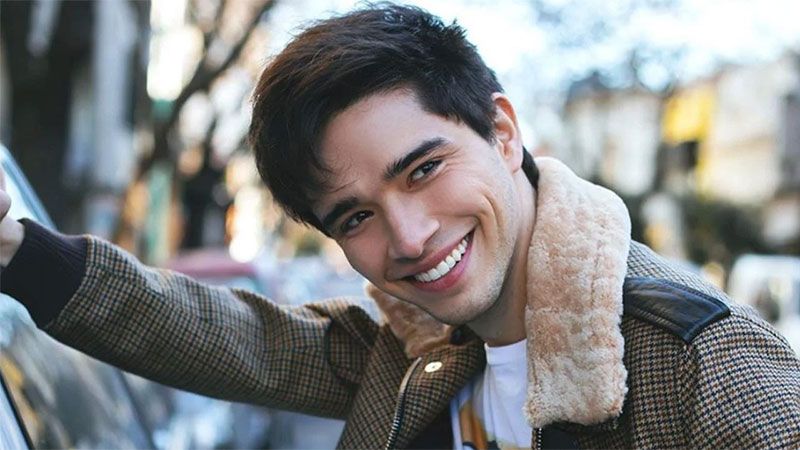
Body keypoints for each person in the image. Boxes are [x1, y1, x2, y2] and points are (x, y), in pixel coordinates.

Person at [1, 4, 798, 449]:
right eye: (357, 216)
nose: (410, 237)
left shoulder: (702, 359)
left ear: (503, 132)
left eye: (423, 169)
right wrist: (16, 248)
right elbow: (222, 336)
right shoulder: (415, 351)